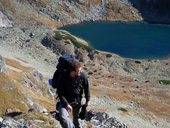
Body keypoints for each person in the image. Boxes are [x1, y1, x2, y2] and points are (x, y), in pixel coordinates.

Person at [56, 60, 90, 128]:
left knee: (76, 119)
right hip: (65, 101)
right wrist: (66, 104)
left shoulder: (82, 76)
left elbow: (86, 87)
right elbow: (60, 93)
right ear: (72, 71)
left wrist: (88, 100)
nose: (80, 73)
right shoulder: (63, 77)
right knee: (63, 116)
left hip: (77, 101)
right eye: (78, 71)